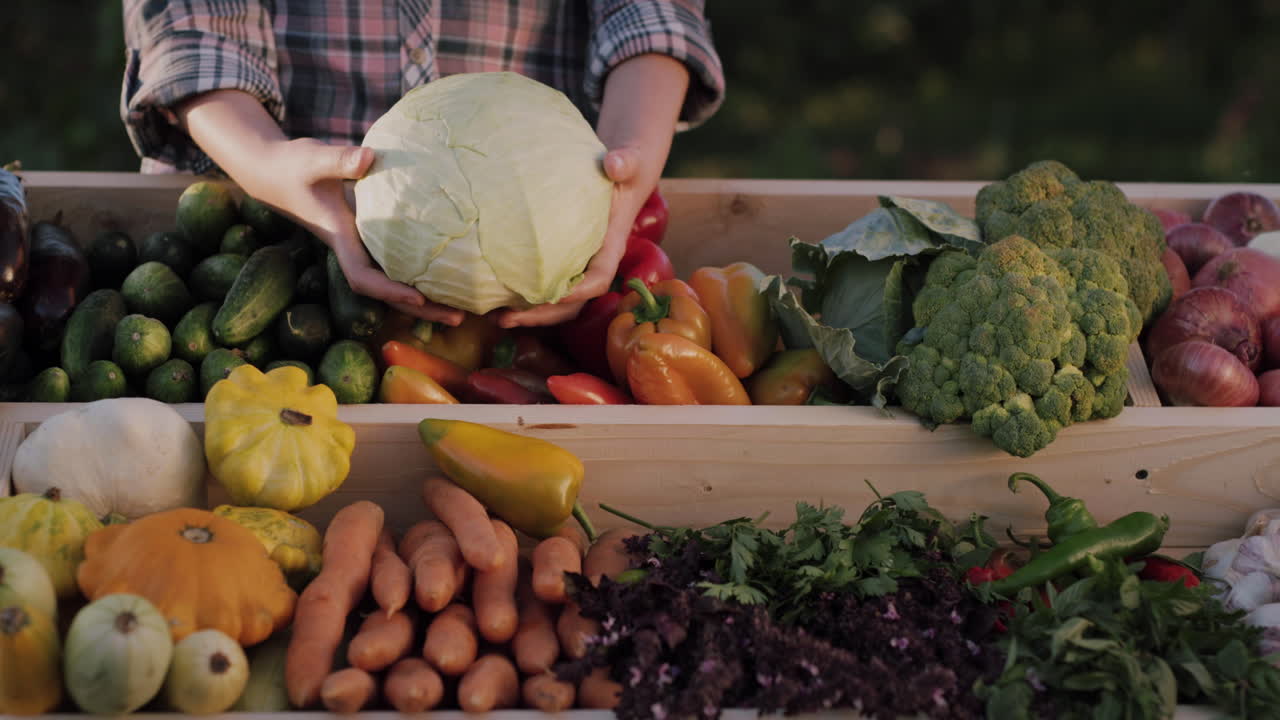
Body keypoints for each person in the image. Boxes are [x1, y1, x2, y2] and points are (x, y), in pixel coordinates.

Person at [119, 0, 725, 329]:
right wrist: (265, 160)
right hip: (269, 212)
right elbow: (191, 27)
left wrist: (629, 155)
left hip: (560, 265)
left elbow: (653, 12)